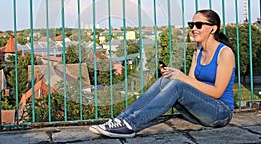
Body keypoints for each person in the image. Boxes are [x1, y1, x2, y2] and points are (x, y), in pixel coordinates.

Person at [89, 9, 235, 138]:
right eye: (192, 25)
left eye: (199, 25)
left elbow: (217, 92)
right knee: (165, 80)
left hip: (220, 113)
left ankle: (130, 125)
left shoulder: (225, 53)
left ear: (213, 29)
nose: (193, 29)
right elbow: (191, 84)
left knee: (178, 84)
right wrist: (173, 75)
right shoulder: (198, 51)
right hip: (201, 110)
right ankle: (121, 120)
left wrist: (180, 77)